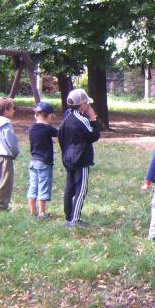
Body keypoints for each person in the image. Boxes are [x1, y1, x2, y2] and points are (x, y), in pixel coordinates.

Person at [58, 88, 101, 227]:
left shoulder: (66, 117)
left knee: (69, 188)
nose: (88, 106)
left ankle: (69, 217)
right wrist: (93, 118)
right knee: (81, 189)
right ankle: (75, 220)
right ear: (81, 105)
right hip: (81, 159)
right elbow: (94, 135)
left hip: (68, 157)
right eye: (87, 103)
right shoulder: (81, 119)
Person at [27, 101, 58, 220]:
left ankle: (33, 211)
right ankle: (42, 212)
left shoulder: (32, 128)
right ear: (49, 116)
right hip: (45, 162)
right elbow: (60, 133)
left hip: (33, 161)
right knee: (43, 186)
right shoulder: (48, 129)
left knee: (33, 186)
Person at [0, 96, 20, 213]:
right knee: (5, 182)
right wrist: (15, 152)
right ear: (6, 111)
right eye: (12, 109)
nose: (14, 111)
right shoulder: (5, 124)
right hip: (4, 156)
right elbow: (10, 141)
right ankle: (1, 207)